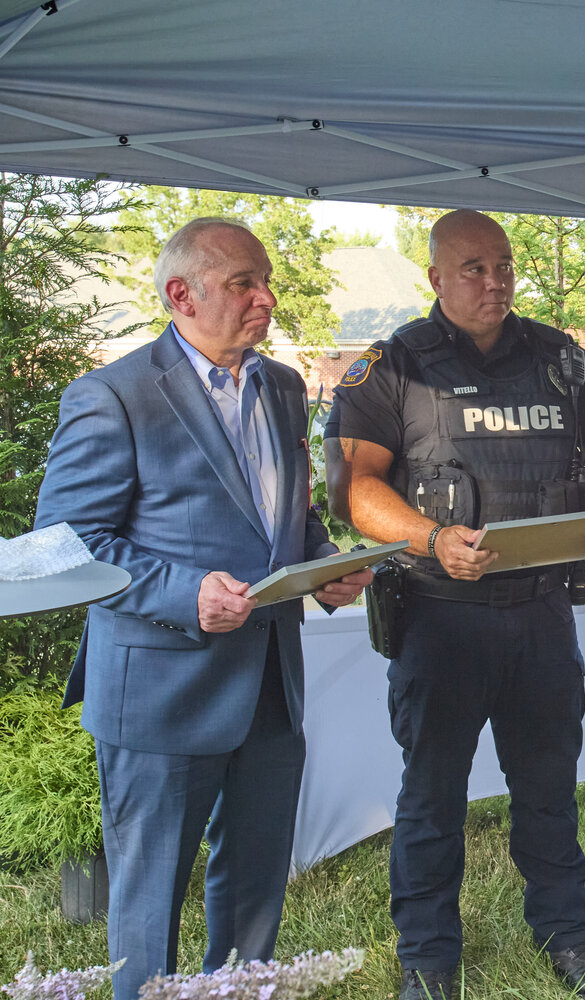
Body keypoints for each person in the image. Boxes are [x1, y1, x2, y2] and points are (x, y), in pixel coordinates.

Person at [33, 218, 372, 1000]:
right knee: (150, 899)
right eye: (243, 283)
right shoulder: (111, 395)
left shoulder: (283, 386)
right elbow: (67, 546)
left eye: (266, 281)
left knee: (256, 883)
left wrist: (323, 566)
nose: (266, 299)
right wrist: (183, 595)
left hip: (269, 685)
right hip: (159, 691)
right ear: (181, 295)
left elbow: (285, 520)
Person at [325, 209, 585, 1000]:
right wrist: (430, 539)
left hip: (540, 614)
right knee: (432, 796)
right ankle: (428, 961)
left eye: (502, 265)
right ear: (434, 277)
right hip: (440, 615)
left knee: (547, 788)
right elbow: (354, 488)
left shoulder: (560, 359)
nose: (493, 280)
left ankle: (567, 939)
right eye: (473, 268)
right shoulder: (394, 366)